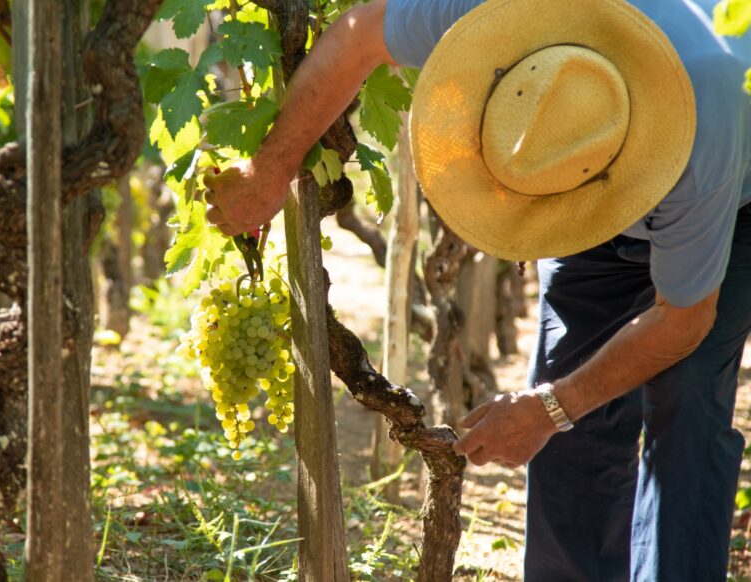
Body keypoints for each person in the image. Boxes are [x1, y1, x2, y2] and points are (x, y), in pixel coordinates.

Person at [203, 0, 751, 579]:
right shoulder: (500, 13)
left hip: (734, 205)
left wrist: (548, 409)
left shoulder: (705, 119)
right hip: (585, 177)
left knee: (685, 407)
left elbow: (683, 320)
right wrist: (269, 172)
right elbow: (361, 32)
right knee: (571, 414)